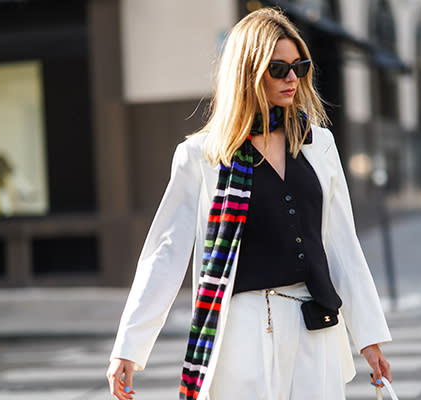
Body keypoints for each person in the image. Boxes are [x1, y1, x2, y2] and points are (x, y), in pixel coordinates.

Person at [107, 8, 392, 400]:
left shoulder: (318, 145)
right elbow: (165, 252)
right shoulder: (202, 156)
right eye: (279, 68)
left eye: (300, 66)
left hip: (315, 325)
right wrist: (130, 347)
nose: (293, 78)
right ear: (248, 72)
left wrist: (369, 339)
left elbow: (342, 245)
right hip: (241, 331)